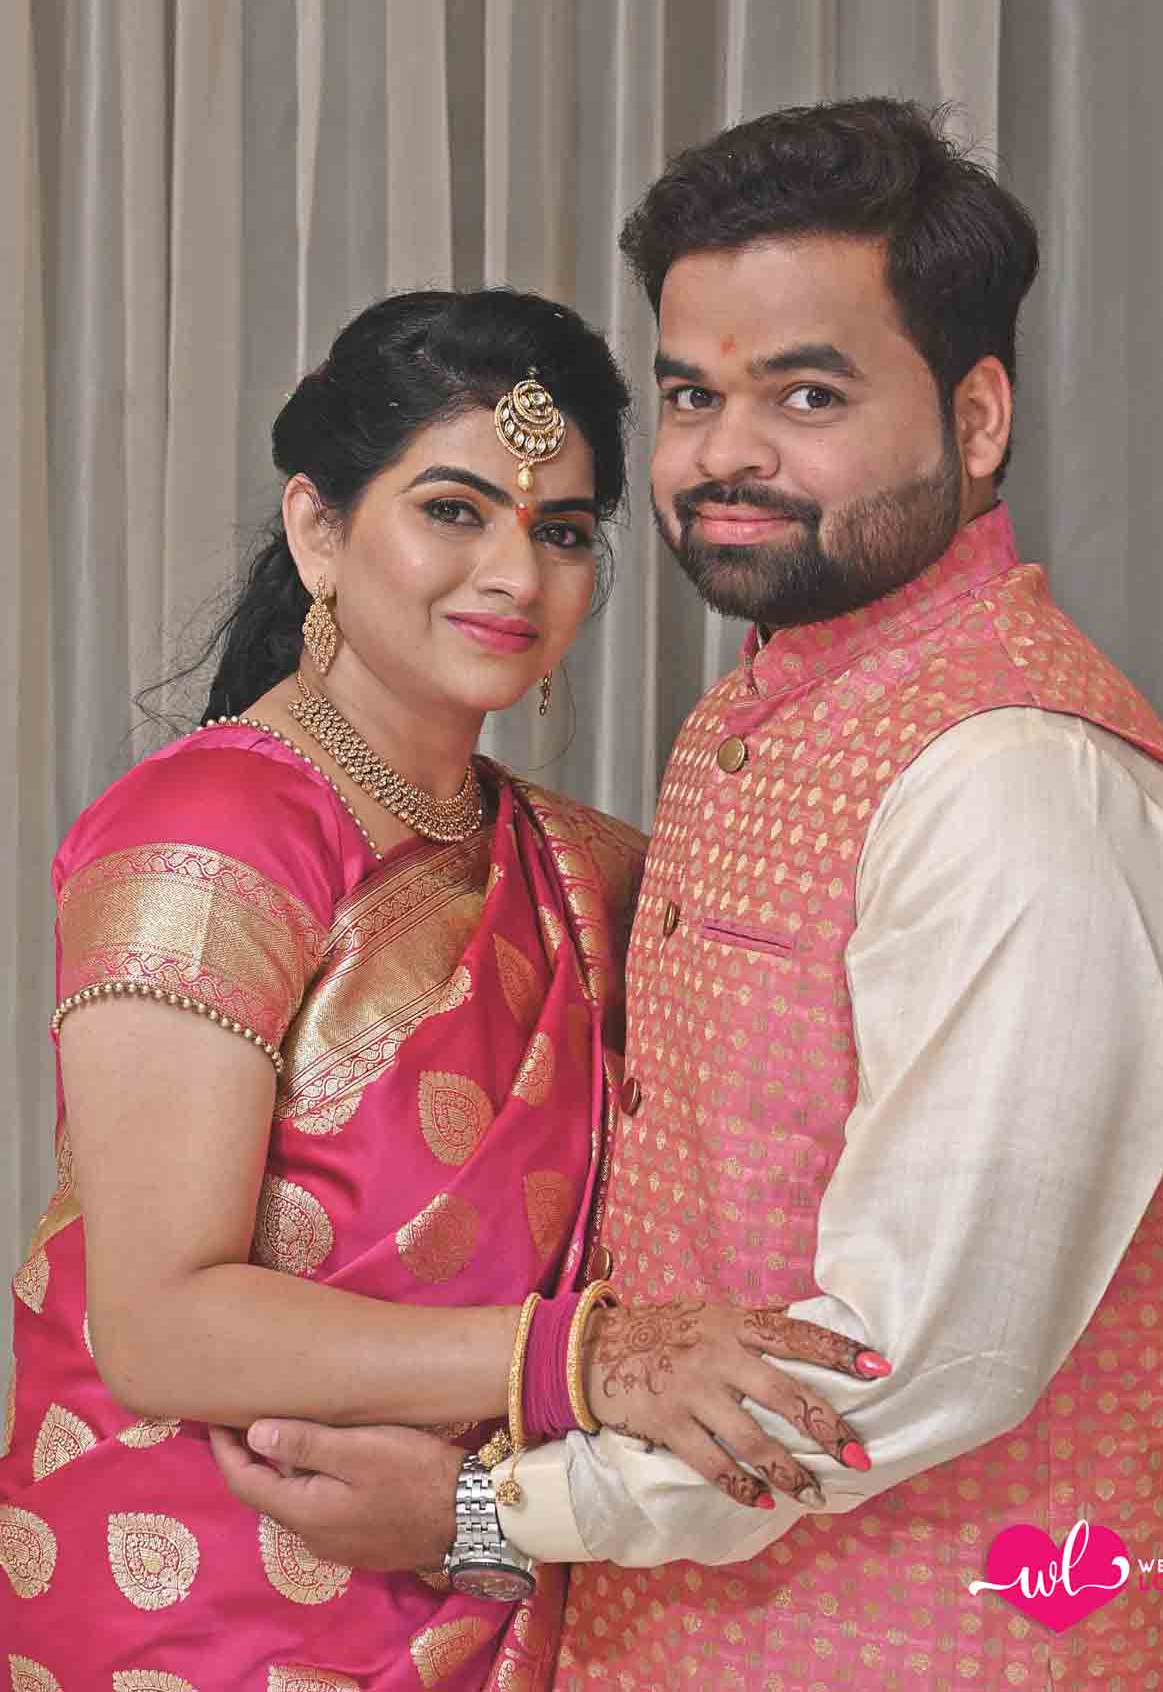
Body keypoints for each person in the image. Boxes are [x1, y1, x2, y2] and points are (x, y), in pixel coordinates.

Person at [217, 104, 1163, 1692]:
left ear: (977, 418)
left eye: (807, 394)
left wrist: (489, 1510)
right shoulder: (765, 710)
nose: (723, 454)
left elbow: (908, 1357)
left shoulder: (1025, 785)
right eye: (695, 394)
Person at [0, 287, 884, 1692]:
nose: (516, 574)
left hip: (465, 1563)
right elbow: (161, 1326)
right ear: (317, 530)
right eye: (454, 511)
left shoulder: (582, 870)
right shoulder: (209, 834)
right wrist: (586, 1363)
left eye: (564, 531)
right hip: (196, 1602)